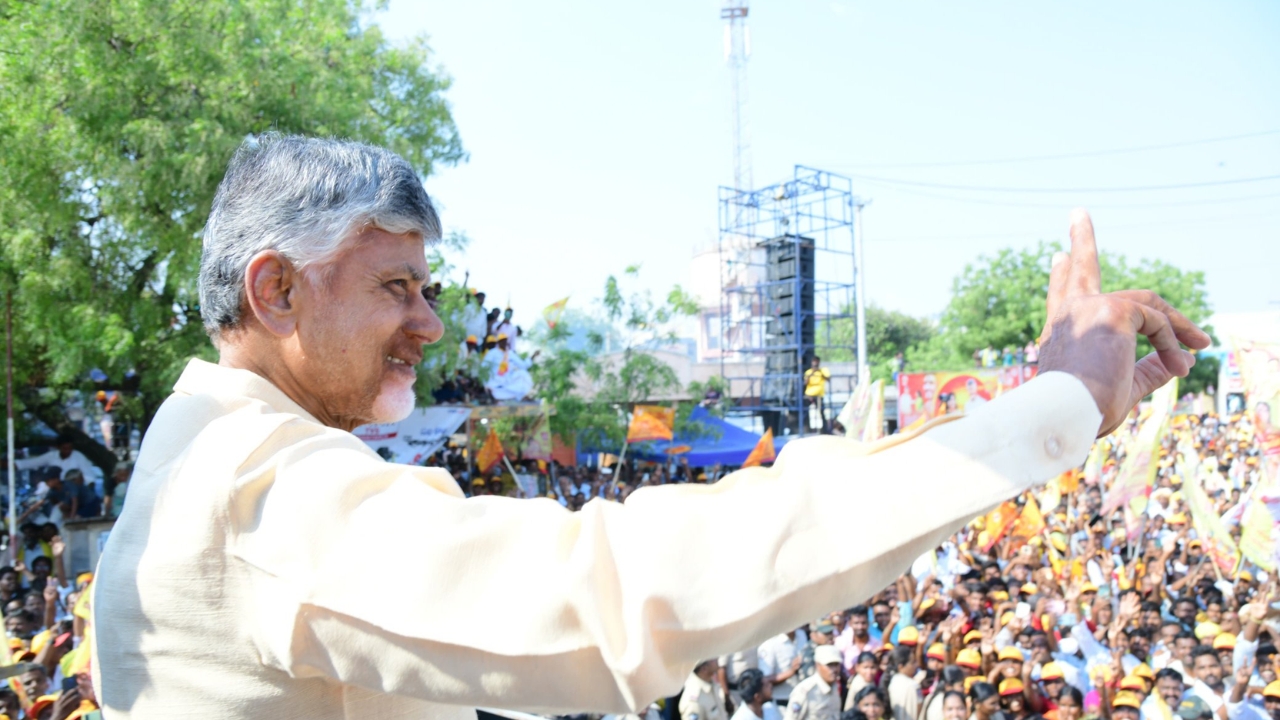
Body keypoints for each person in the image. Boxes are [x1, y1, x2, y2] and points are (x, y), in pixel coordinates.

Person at [92, 135, 1210, 718]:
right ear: (277, 291)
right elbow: (607, 593)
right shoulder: (251, 489)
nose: (430, 325)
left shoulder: (199, 447)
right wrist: (1047, 411)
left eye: (426, 291)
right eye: (394, 288)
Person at [786, 645, 843, 720]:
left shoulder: (835, 686)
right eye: (829, 665)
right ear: (818, 665)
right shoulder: (805, 691)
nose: (834, 669)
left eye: (836, 664)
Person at [804, 356, 831, 434]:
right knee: (805, 412)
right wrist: (812, 373)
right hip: (809, 395)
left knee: (822, 413)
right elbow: (805, 383)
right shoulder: (808, 372)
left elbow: (828, 379)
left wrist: (820, 372)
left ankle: (825, 431)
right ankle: (806, 430)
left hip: (819, 396)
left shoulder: (823, 371)